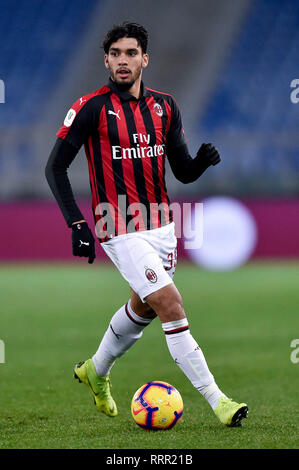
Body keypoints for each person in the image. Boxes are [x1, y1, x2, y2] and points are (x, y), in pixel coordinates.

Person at [45, 22, 248, 427]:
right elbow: (55, 168)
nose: (123, 60)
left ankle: (96, 371)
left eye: (131, 53)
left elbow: (183, 171)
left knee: (146, 306)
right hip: (117, 224)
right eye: (115, 53)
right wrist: (77, 223)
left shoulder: (165, 107)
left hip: (160, 225)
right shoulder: (90, 107)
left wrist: (202, 162)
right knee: (170, 303)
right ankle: (219, 401)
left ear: (144, 59)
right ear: (106, 60)